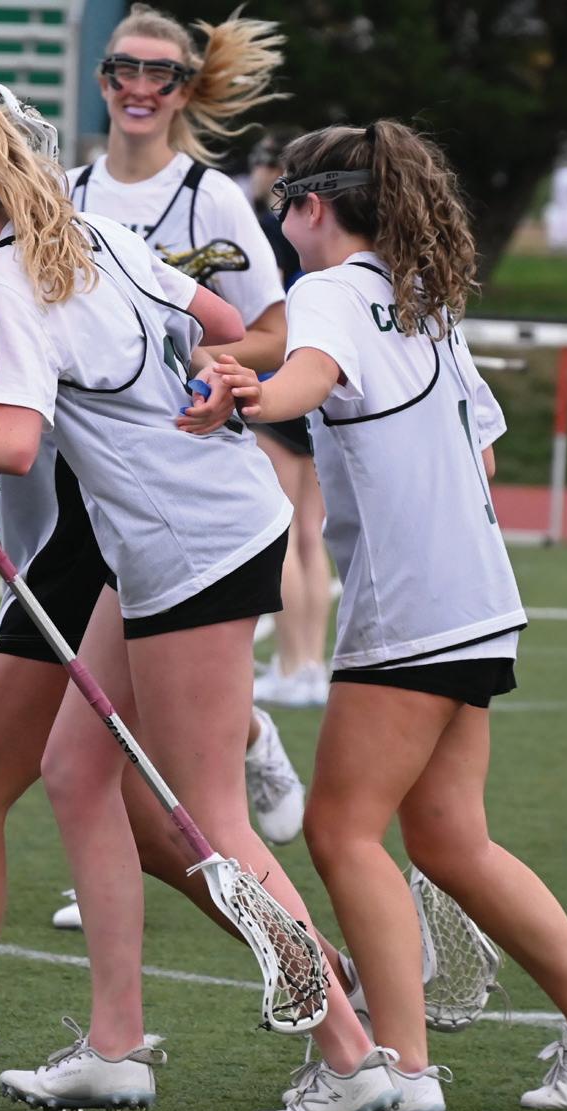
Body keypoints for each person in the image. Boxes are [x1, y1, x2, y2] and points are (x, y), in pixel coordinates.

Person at [0, 99, 395, 1111]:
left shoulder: (11, 280)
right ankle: (100, 1044)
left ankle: (349, 1049)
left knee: (211, 818)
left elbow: (12, 444)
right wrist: (199, 384)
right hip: (178, 532)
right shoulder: (92, 234)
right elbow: (221, 324)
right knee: (64, 769)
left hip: (191, 542)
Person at [211, 119, 567, 1111]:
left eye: (284, 204)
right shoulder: (423, 295)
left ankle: (402, 1062)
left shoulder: (330, 290)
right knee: (452, 840)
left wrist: (252, 395)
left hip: (411, 604)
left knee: (339, 828)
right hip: (477, 596)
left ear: (312, 207)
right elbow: (482, 451)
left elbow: (304, 379)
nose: (281, 224)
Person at [55, 4, 309, 852]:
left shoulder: (211, 199)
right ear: (101, 80)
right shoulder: (66, 196)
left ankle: (248, 736)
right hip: (85, 473)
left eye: (158, 74)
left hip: (183, 473)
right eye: (123, 69)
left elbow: (271, 331)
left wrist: (212, 368)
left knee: (134, 718)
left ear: (184, 89)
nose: (138, 87)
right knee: (91, 724)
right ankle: (240, 736)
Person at [240, 127, 331, 707]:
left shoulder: (271, 228)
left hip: (283, 382)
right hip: (320, 382)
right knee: (310, 534)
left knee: (284, 531)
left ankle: (295, 663)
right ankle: (311, 663)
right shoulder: (329, 229)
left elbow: (260, 306)